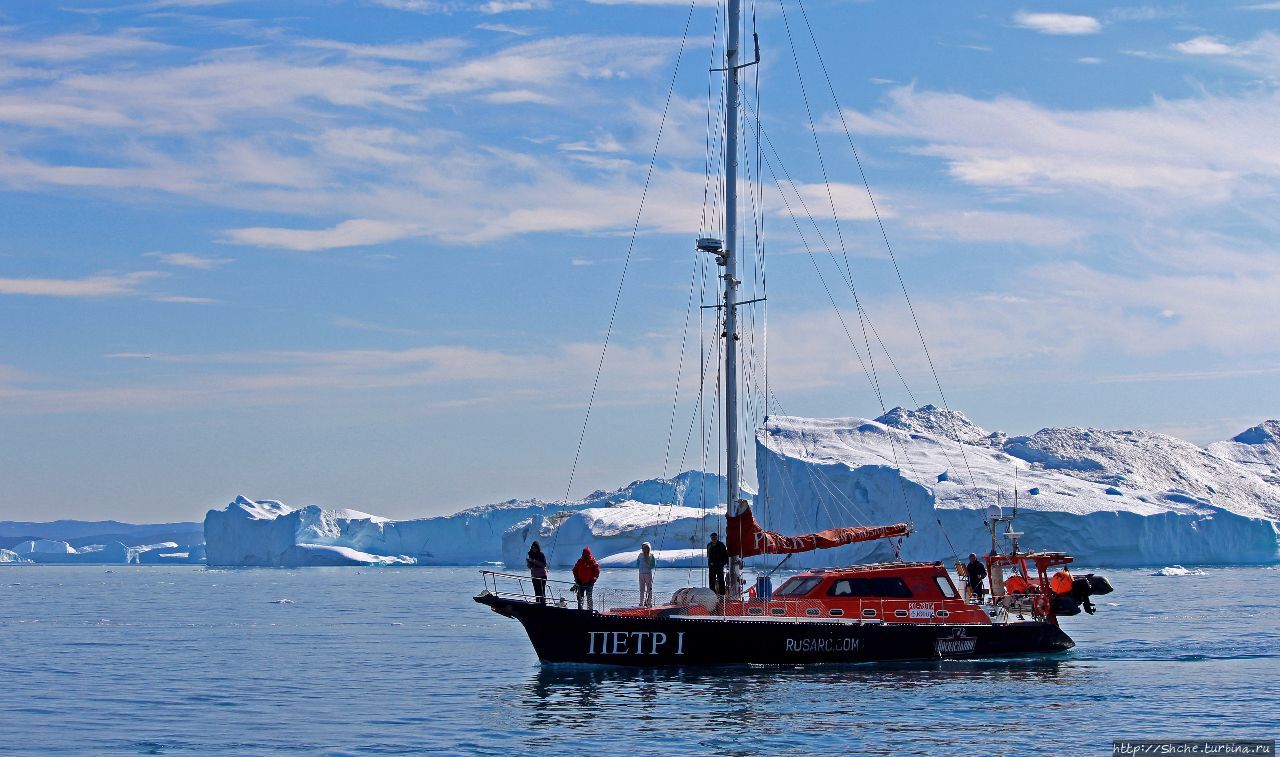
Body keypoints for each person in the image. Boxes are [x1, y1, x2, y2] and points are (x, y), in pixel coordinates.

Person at [572, 547, 600, 611]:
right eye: (584, 553)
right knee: (580, 597)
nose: (585, 555)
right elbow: (574, 570)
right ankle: (580, 610)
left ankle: (590, 610)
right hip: (580, 583)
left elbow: (597, 572)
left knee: (589, 597)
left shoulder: (592, 561)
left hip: (589, 583)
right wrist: (576, 578)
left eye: (586, 553)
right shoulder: (580, 561)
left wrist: (592, 581)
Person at [637, 542, 656, 607]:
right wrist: (648, 567)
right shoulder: (651, 555)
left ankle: (641, 603)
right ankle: (649, 602)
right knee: (649, 589)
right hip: (648, 574)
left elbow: (637, 564)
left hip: (641, 574)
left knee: (642, 589)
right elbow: (653, 565)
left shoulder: (640, 555)